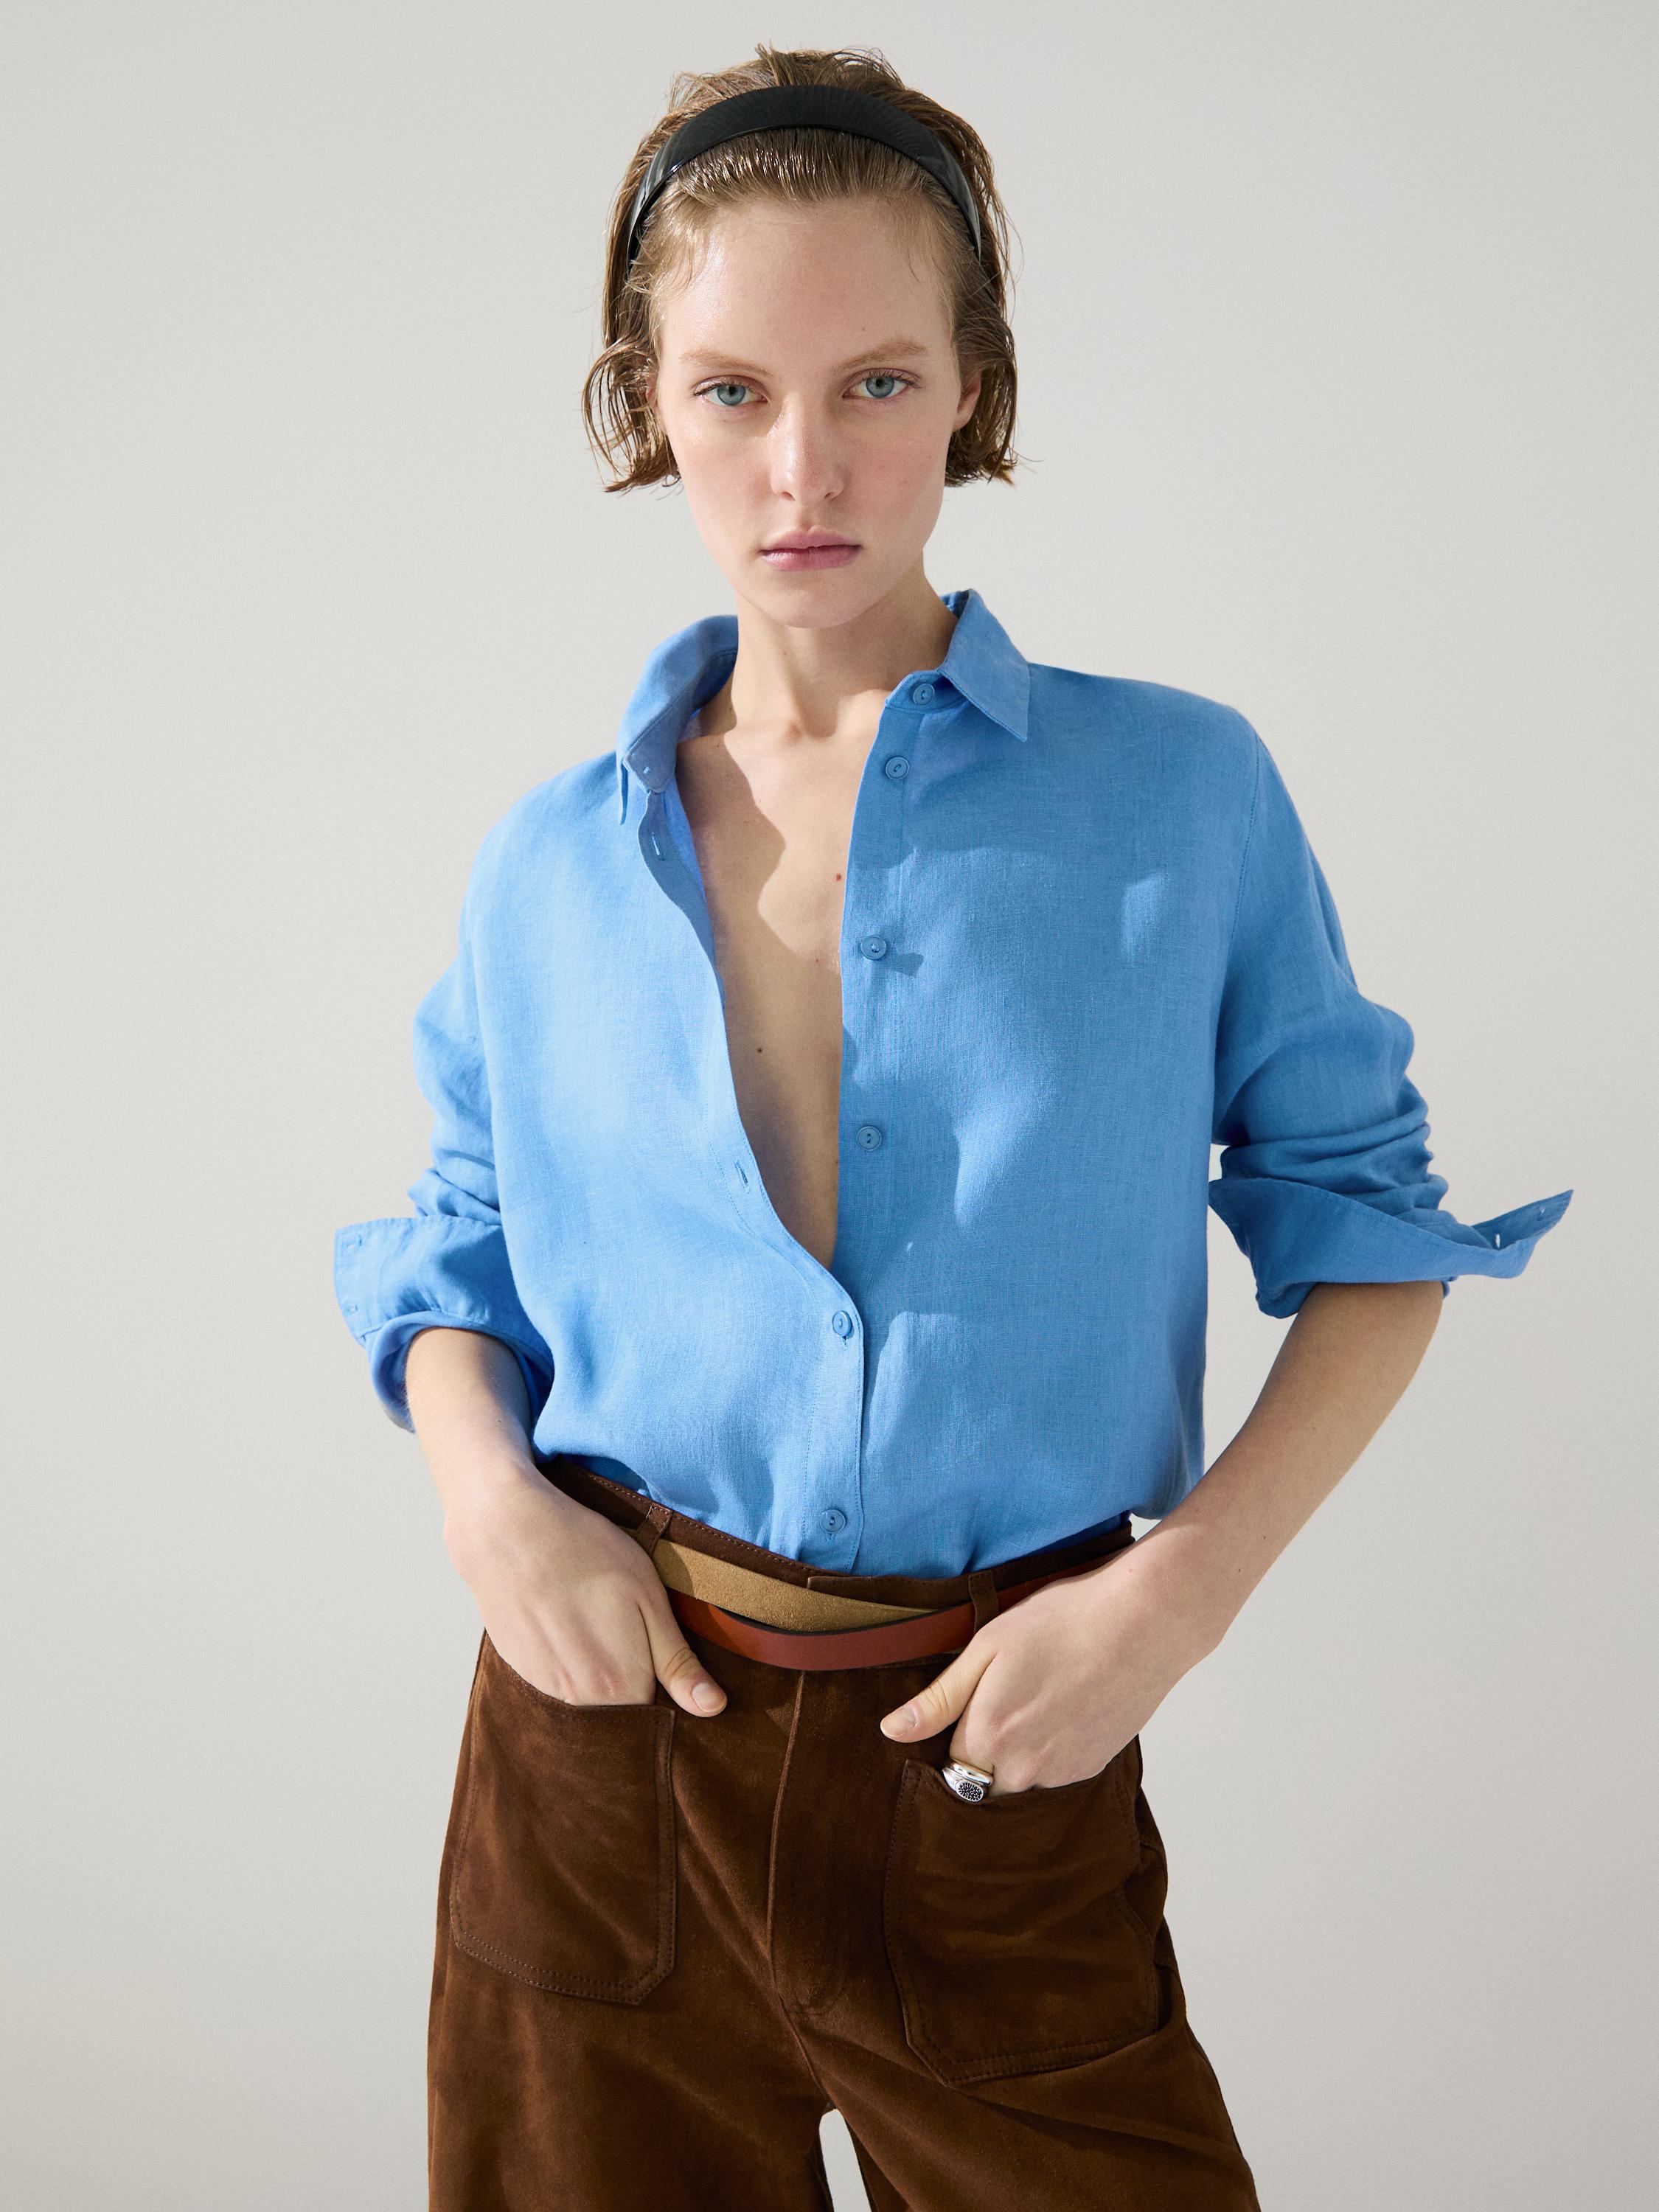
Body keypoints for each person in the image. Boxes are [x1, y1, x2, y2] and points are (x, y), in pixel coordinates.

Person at [332, 46, 1571, 2212]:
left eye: (877, 383)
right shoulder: (550, 862)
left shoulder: (1177, 795)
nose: (803, 464)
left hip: (999, 1752)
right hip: (602, 1771)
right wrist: (485, 1501)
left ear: (974, 388)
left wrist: (1173, 1602)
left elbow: (1371, 1234)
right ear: (646, 403)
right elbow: (460, 1233)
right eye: (730, 390)